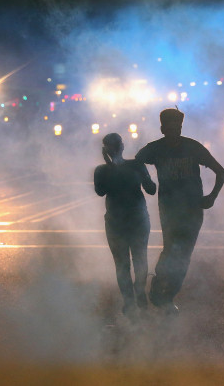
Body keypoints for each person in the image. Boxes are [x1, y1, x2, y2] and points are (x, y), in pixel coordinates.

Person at [135, 108, 224, 315]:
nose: (174, 130)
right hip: (169, 208)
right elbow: (136, 163)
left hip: (193, 209)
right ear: (162, 128)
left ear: (181, 127)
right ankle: (158, 287)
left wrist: (212, 196)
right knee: (170, 249)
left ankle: (168, 296)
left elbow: (220, 171)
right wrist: (147, 182)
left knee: (184, 253)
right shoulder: (155, 149)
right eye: (169, 127)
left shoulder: (193, 147)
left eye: (177, 126)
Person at [94, 133, 157, 320]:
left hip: (116, 222)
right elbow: (152, 189)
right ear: (122, 146)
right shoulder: (135, 165)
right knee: (139, 259)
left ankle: (130, 301)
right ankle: (138, 295)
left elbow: (100, 191)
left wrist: (111, 165)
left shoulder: (102, 170)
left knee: (122, 265)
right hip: (135, 220)